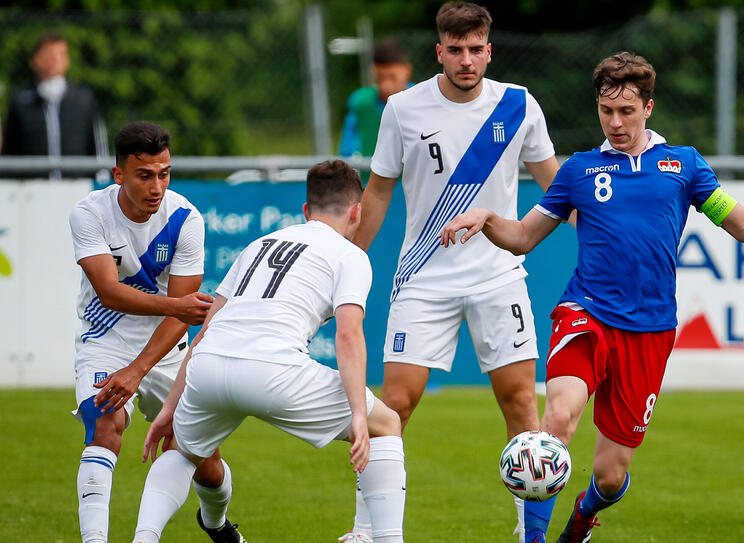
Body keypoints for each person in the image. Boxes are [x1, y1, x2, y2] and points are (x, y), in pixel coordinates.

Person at [440, 51, 744, 543]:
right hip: (586, 313)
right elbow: (522, 237)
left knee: (609, 475)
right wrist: (488, 219)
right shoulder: (578, 171)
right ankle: (532, 539)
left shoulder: (683, 165)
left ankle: (581, 521)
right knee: (556, 419)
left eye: (626, 111)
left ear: (649, 107)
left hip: (649, 331)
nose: (615, 122)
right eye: (606, 111)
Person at [349, 3, 560, 542]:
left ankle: (529, 532)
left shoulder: (518, 105)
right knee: (393, 405)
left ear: (489, 50)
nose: (466, 60)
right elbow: (377, 192)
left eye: (475, 49)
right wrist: (346, 260)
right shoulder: (402, 108)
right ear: (438, 51)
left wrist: (610, 232)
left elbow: (557, 189)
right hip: (422, 278)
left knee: (519, 403)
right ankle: (364, 530)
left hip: (498, 275)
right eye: (455, 49)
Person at [132, 160, 406, 543]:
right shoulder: (350, 255)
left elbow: (205, 330)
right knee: (387, 424)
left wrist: (169, 407)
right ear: (356, 211)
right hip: (274, 371)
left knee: (181, 452)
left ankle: (143, 538)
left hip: (210, 364)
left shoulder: (259, 244)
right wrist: (360, 413)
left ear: (306, 211)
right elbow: (348, 335)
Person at [68, 121, 239, 543]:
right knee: (104, 422)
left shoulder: (185, 218)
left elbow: (182, 316)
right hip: (105, 341)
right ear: (119, 174)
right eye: (145, 175)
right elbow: (109, 292)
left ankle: (216, 523)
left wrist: (139, 369)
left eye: (164, 173)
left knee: (205, 461)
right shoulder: (89, 213)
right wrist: (173, 307)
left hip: (167, 350)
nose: (156, 186)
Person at [3, 31, 108, 178]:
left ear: (67, 60)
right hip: (32, 190)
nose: (54, 60)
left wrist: (101, 185)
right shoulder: (21, 103)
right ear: (35, 60)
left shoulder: (83, 100)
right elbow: (10, 151)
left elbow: (98, 149)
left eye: (60, 54)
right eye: (48, 54)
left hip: (77, 187)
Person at [339, 37, 414, 158]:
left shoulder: (422, 100)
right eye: (380, 78)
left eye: (392, 77)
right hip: (368, 175)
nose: (385, 85)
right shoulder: (360, 101)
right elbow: (346, 150)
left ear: (407, 70)